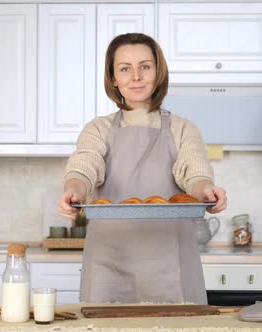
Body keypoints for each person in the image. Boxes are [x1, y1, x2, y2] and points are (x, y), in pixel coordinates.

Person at [57, 33, 227, 304]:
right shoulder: (98, 129)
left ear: (158, 72)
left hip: (170, 261)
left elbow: (194, 171)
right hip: (108, 261)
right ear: (113, 78)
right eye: (125, 68)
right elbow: (84, 165)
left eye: (145, 66)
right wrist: (72, 190)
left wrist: (206, 191)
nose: (136, 76)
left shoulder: (183, 128)